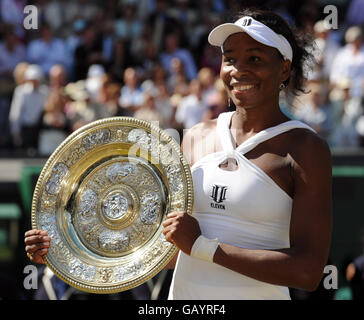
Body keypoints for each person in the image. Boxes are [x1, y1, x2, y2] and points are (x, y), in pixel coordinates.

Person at [24, 9, 332, 300]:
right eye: (230, 59)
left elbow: (307, 272)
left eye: (254, 58)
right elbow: (168, 252)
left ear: (284, 68)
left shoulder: (306, 149)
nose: (239, 70)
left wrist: (202, 247)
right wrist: (64, 250)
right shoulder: (197, 135)